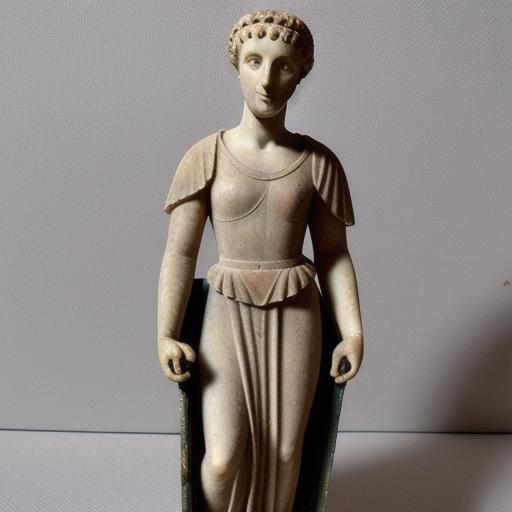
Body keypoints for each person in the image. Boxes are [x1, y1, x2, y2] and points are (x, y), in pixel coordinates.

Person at [157, 9, 364, 512]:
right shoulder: (205, 156)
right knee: (221, 459)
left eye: (283, 66)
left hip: (296, 310)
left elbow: (333, 253)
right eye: (255, 61)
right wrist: (165, 332)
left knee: (286, 452)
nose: (267, 79)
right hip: (227, 310)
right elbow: (180, 251)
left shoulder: (318, 163)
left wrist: (353, 332)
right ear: (237, 65)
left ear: (301, 73)